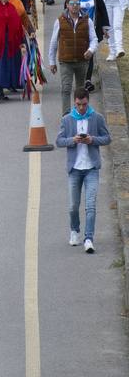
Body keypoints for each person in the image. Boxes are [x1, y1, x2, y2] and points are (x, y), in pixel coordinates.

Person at [55, 87, 111, 254]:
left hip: (91, 168)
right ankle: (74, 230)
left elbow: (107, 138)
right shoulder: (67, 120)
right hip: (74, 169)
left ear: (88, 101)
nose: (81, 108)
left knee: (91, 206)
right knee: (73, 206)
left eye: (84, 104)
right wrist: (73, 140)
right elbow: (59, 141)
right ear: (74, 103)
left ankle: (89, 238)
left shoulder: (97, 118)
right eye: (78, 104)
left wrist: (92, 140)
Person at [48, 0, 99, 115]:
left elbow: (94, 39)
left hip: (82, 61)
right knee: (66, 88)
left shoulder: (87, 20)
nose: (75, 6)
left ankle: (80, 114)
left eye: (77, 4)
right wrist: (52, 62)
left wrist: (91, 50)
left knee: (80, 90)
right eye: (72, 4)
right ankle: (66, 116)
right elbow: (54, 42)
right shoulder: (60, 20)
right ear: (67, 5)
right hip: (66, 61)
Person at [72, 0, 110, 90]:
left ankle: (87, 80)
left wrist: (104, 28)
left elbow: (102, 10)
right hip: (77, 31)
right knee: (80, 55)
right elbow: (66, 13)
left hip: (92, 30)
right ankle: (80, 79)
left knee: (90, 53)